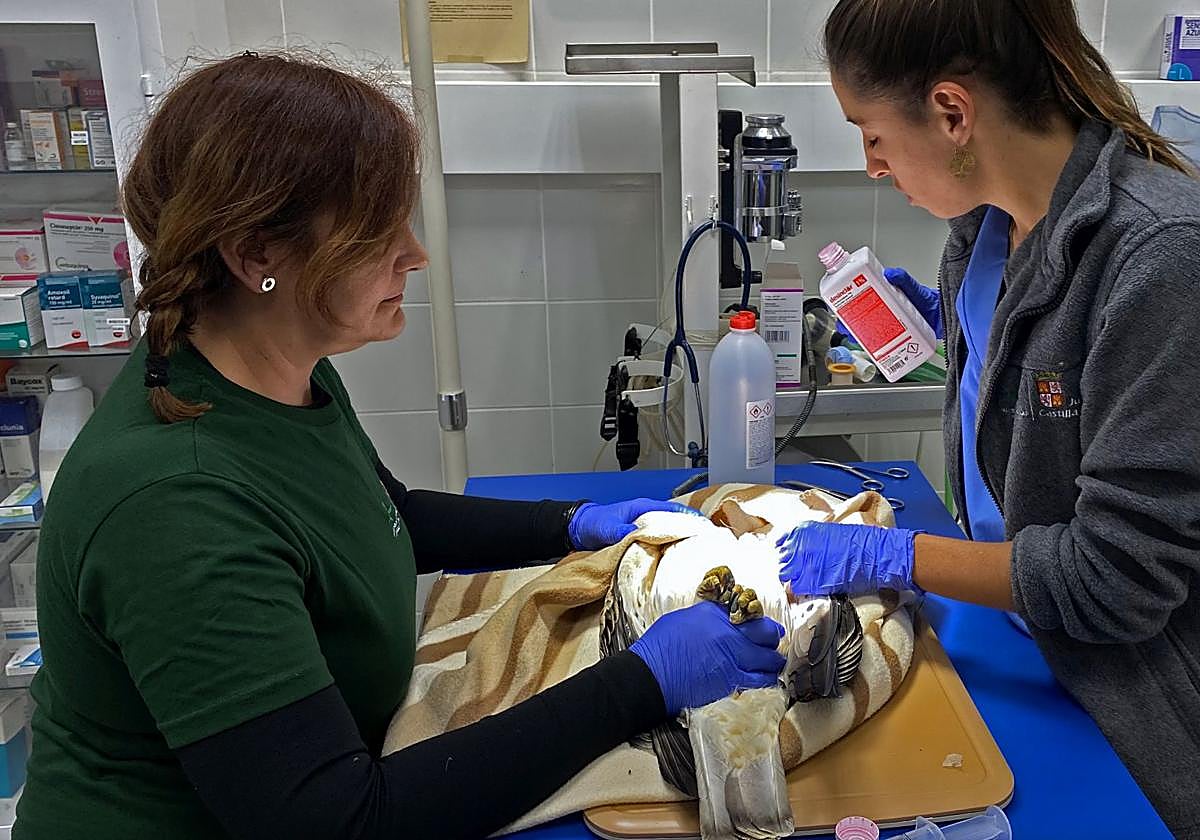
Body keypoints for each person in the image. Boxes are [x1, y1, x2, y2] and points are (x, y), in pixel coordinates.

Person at [13, 53, 788, 840]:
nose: (415, 255)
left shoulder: (278, 376)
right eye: (376, 233)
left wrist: (575, 523)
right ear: (258, 259)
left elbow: (388, 518)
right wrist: (643, 681)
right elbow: (344, 823)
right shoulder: (175, 505)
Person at [775, 1, 1200, 835]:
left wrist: (895, 553)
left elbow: (1114, 583)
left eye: (872, 134)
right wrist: (965, 327)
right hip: (1018, 635)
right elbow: (1037, 401)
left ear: (951, 112)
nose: (872, 165)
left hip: (1126, 697)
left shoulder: (1161, 256)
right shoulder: (987, 231)